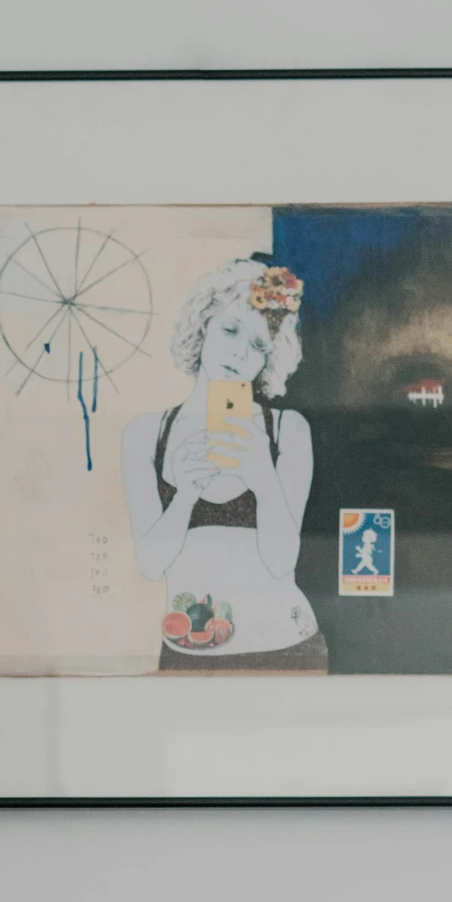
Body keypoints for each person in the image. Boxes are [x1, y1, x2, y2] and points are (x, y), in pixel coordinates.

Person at [121, 260, 326, 672]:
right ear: (203, 327)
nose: (239, 352)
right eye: (230, 330)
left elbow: (282, 561)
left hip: (287, 651)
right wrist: (185, 495)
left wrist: (262, 478)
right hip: (188, 654)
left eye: (258, 345)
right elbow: (151, 565)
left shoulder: (287, 430)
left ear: (269, 359)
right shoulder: (146, 434)